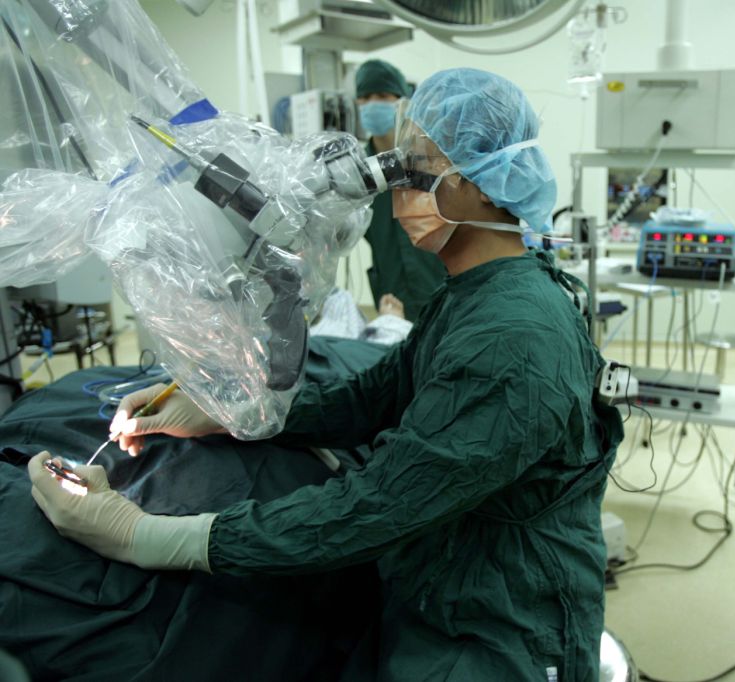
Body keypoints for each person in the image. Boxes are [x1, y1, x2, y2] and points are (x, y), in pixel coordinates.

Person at [29, 68, 623, 681]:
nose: (399, 195)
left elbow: (376, 505)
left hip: (505, 627)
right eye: (395, 170)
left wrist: (143, 536)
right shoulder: (473, 293)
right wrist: (228, 415)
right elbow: (373, 398)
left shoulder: (513, 339)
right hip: (445, 573)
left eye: (416, 173)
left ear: (486, 182)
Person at [356, 59, 447, 323]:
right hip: (391, 294)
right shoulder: (357, 171)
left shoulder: (427, 157)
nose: (372, 103)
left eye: (382, 96)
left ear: (401, 101)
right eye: (365, 97)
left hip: (437, 286)